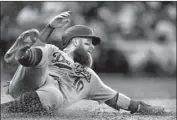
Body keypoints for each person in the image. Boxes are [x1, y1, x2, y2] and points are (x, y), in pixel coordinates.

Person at [1, 11, 165, 115]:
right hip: (26, 83)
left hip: (48, 99)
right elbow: (42, 47)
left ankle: (22, 55)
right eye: (88, 42)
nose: (92, 47)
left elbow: (118, 99)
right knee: (45, 52)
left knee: (54, 93)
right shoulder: (54, 51)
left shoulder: (92, 78)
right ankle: (22, 53)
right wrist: (50, 27)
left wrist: (143, 107)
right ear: (74, 41)